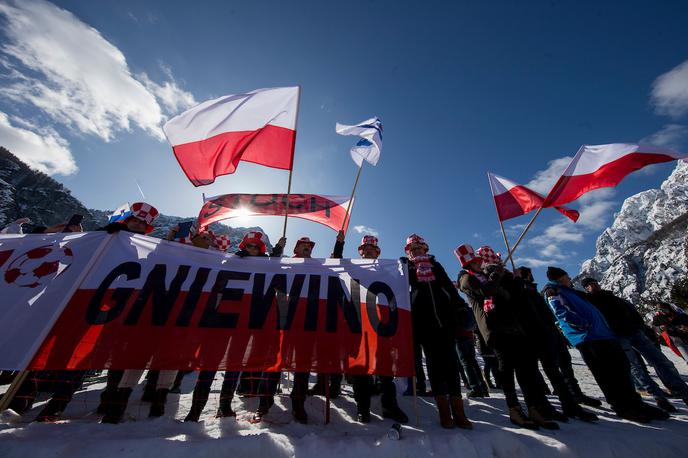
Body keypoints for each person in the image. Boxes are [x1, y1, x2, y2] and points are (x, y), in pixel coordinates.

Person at [543, 267, 669, 423]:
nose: (570, 279)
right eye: (567, 276)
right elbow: (560, 312)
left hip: (603, 335)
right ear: (560, 278)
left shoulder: (570, 291)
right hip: (588, 338)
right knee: (606, 373)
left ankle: (635, 403)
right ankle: (622, 406)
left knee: (622, 368)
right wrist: (583, 324)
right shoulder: (553, 291)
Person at [184, 231, 286, 422]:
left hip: (248, 322)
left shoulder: (269, 265)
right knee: (210, 363)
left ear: (261, 249)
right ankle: (196, 408)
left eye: (256, 246)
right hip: (224, 319)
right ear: (243, 246)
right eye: (249, 245)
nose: (252, 249)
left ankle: (225, 404)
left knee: (234, 365)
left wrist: (277, 257)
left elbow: (282, 284)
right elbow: (217, 283)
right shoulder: (232, 262)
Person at [457, 244, 559, 430]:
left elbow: (507, 296)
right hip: (494, 329)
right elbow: (485, 291)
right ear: (468, 264)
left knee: (525, 369)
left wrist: (508, 278)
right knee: (506, 368)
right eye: (475, 262)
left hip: (511, 326)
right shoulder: (466, 279)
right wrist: (496, 277)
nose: (479, 264)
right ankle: (514, 408)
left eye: (479, 261)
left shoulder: (486, 276)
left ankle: (533, 408)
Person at [582, 278, 688, 412]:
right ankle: (658, 396)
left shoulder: (613, 297)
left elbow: (632, 311)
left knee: (661, 361)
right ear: (586, 289)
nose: (593, 286)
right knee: (635, 367)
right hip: (617, 336)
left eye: (594, 283)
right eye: (589, 285)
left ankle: (682, 391)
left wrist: (640, 327)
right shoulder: (589, 302)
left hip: (635, 332)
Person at [340, 234, 409, 424]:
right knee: (361, 367)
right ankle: (363, 409)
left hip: (381, 324)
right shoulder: (353, 267)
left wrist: (405, 269)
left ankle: (389, 406)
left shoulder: (386, 271)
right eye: (365, 249)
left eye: (372, 249)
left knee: (385, 368)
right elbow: (335, 264)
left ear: (378, 252)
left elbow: (401, 289)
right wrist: (339, 244)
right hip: (359, 323)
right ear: (361, 252)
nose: (368, 251)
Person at [405, 234, 472, 429]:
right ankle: (443, 411)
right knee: (434, 365)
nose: (416, 251)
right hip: (423, 323)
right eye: (412, 249)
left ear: (425, 249)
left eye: (419, 248)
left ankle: (459, 410)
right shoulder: (408, 267)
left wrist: (459, 305)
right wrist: (404, 266)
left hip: (445, 320)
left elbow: (448, 288)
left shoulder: (436, 265)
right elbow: (403, 288)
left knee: (451, 364)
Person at [515, 267, 601, 408]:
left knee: (564, 361)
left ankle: (573, 392)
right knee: (553, 364)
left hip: (550, 328)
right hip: (540, 331)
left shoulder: (532, 289)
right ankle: (565, 395)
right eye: (530, 273)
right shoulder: (525, 290)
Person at [289, 237, 317, 424]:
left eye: (310, 246)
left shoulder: (318, 266)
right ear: (297, 247)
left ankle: (298, 401)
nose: (307, 248)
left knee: (303, 362)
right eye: (303, 245)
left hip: (308, 319)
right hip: (285, 318)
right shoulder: (286, 263)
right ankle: (264, 403)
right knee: (274, 361)